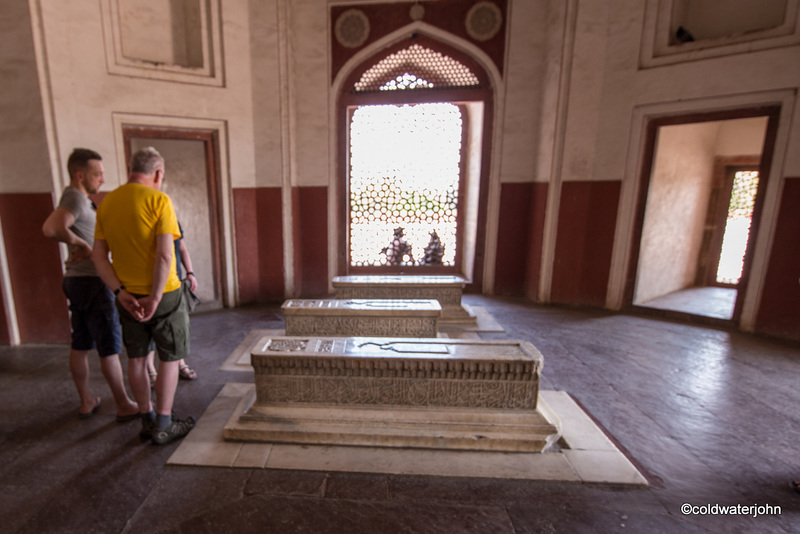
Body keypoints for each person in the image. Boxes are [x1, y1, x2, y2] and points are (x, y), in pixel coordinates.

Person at [91, 146, 194, 445]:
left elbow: (99, 257)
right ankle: (164, 422)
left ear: (130, 169)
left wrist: (120, 292)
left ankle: (146, 420)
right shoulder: (159, 200)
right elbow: (165, 257)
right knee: (170, 358)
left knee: (136, 358)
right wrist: (157, 297)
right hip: (166, 295)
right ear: (159, 173)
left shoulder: (108, 203)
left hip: (128, 296)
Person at [41, 148, 139, 421]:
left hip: (75, 280)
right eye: (97, 174)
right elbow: (51, 228)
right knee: (109, 347)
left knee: (81, 343)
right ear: (80, 174)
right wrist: (82, 244)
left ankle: (86, 401)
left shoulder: (78, 198)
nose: (102, 180)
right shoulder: (74, 196)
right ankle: (123, 404)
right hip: (92, 282)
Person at [147, 222, 198, 386]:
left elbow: (181, 248)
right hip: (147, 284)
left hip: (173, 283)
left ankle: (180, 363)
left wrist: (190, 272)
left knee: (177, 327)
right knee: (149, 330)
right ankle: (151, 370)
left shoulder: (171, 218)